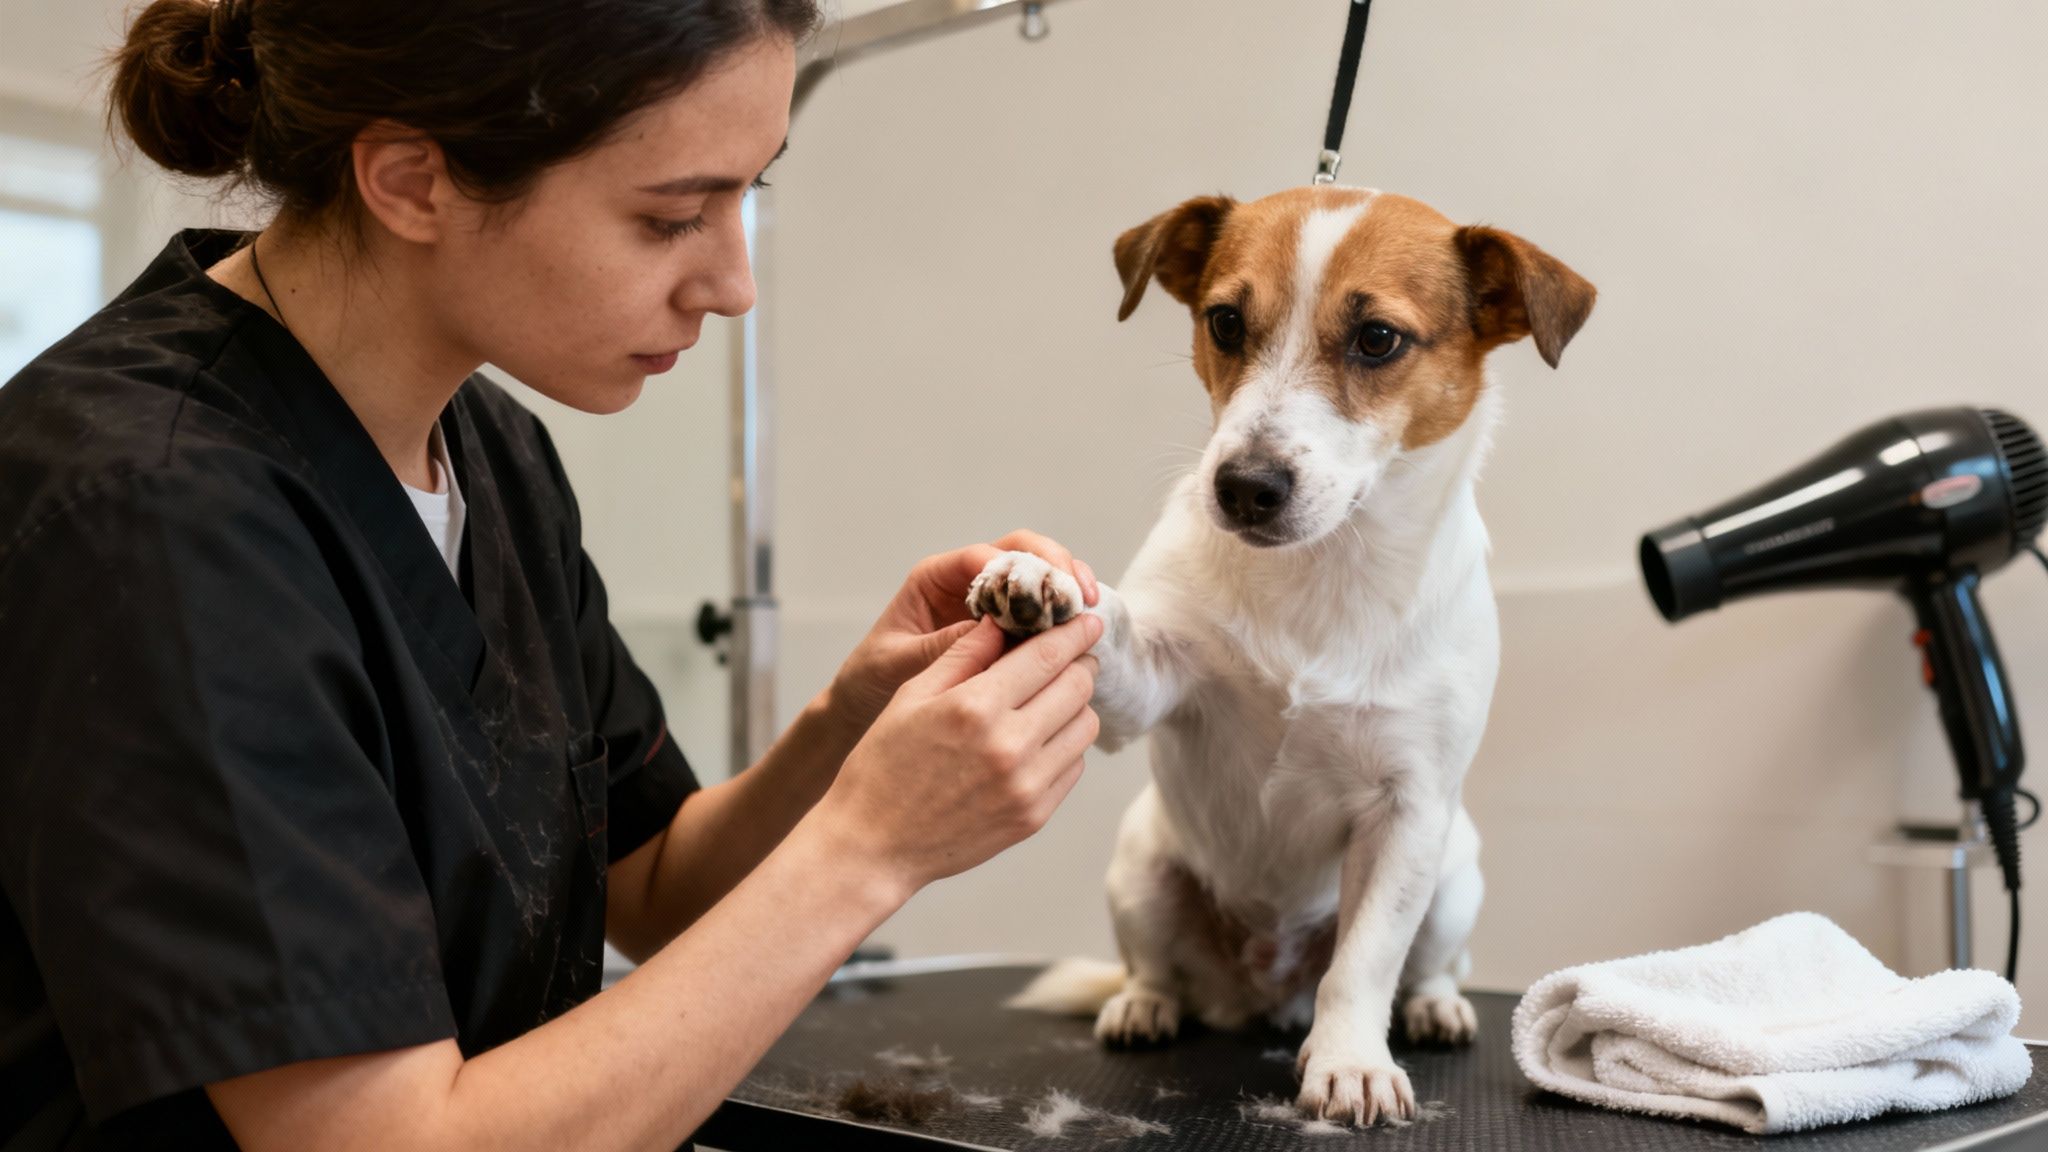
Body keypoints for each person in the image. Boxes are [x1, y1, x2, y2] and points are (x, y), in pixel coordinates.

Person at [0, 2, 1103, 1148]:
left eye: (748, 195)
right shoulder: (149, 510)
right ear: (412, 182)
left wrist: (854, 722)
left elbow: (661, 879)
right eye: (671, 215)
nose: (732, 284)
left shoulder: (492, 452)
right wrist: (868, 847)